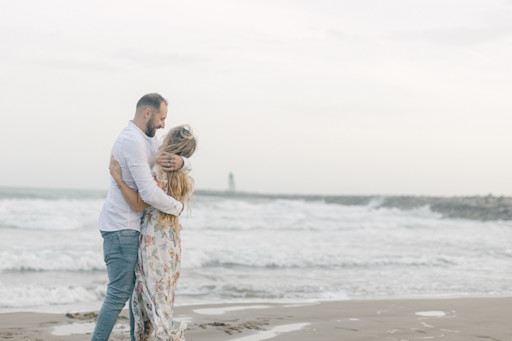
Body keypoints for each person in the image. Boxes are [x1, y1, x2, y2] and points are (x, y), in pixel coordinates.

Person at [92, 93, 191, 341]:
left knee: (139, 293)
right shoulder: (132, 141)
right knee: (119, 294)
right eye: (161, 118)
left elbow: (173, 160)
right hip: (121, 228)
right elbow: (147, 193)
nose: (163, 125)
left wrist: (183, 162)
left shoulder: (149, 140)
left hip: (136, 228)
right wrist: (178, 208)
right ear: (148, 113)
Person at [109, 125, 196, 340]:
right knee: (163, 296)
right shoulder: (183, 176)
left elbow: (142, 201)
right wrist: (185, 163)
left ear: (170, 143)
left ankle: (163, 336)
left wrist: (118, 180)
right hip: (172, 241)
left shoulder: (158, 169)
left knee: (149, 295)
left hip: (153, 239)